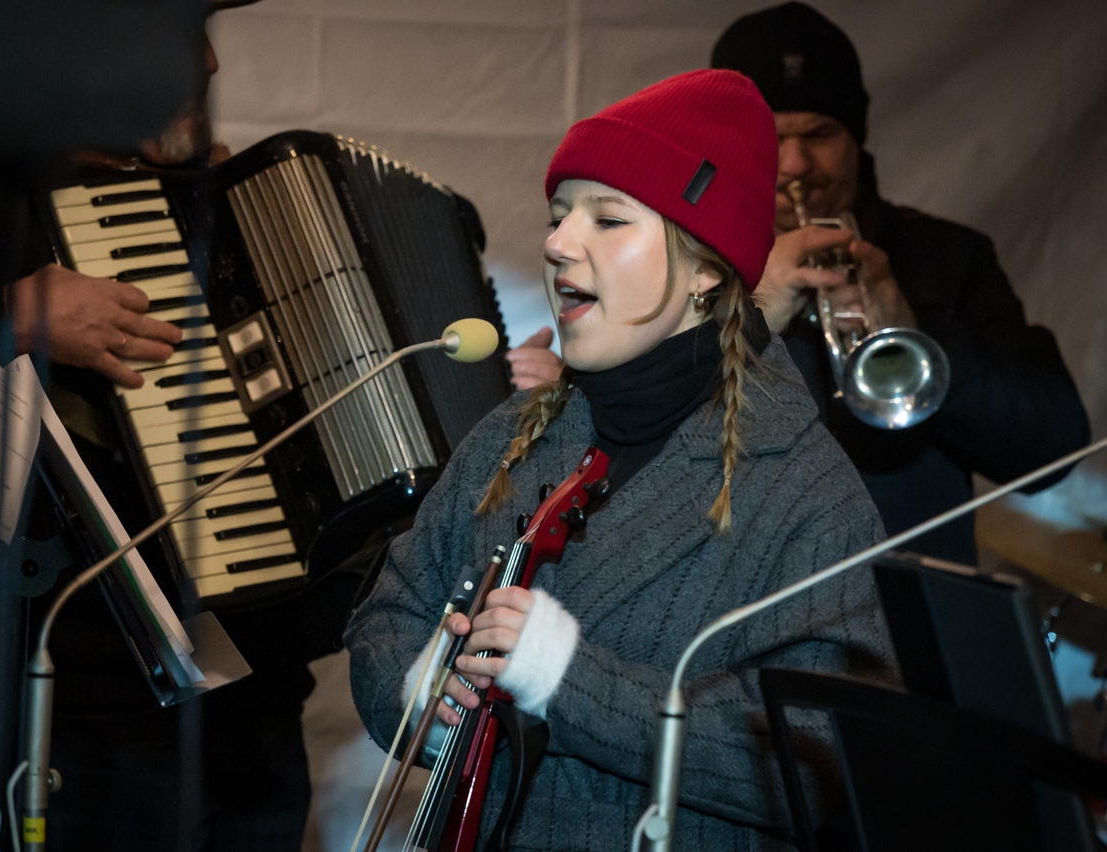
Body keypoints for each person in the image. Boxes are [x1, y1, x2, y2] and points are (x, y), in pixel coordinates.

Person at [346, 69, 897, 851]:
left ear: (707, 269)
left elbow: (826, 764)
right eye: (559, 216)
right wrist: (420, 694)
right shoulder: (514, 433)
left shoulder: (806, 491)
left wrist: (569, 683)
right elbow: (391, 611)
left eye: (607, 219)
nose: (557, 243)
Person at [0, 14, 319, 852]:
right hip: (73, 703)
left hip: (256, 698)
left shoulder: (222, 194)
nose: (212, 62)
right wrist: (15, 317)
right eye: (184, 32)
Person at [710, 2, 1091, 564]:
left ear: (856, 137)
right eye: (769, 135)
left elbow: (1051, 452)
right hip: (739, 596)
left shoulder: (948, 255)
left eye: (821, 134)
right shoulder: (685, 261)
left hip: (909, 598)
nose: (795, 165)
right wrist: (753, 314)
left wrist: (919, 334)